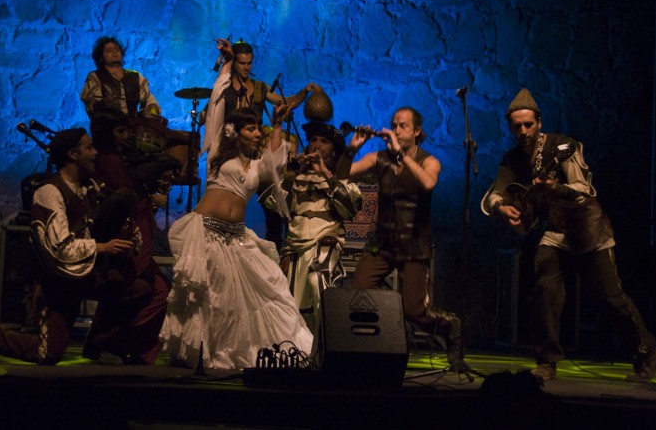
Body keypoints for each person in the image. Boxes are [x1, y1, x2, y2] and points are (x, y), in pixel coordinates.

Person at [481, 88, 656, 381]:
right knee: (545, 290)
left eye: (528, 124)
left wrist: (556, 188)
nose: (523, 131)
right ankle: (547, 361)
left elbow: (583, 189)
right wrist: (502, 208)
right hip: (555, 231)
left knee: (610, 297)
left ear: (539, 123)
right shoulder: (512, 159)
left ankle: (647, 352)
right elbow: (494, 193)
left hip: (587, 229)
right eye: (517, 126)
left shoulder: (562, 146)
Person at [158, 39, 313, 370]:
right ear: (235, 131)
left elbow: (274, 162)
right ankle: (204, 356)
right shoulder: (217, 155)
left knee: (258, 292)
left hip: (236, 237)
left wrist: (278, 124)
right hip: (206, 232)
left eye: (258, 128)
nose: (257, 133)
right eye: (251, 128)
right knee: (211, 299)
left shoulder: (256, 165)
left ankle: (233, 354)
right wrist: (226, 64)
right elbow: (217, 101)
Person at [0, 128, 138, 365]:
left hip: (88, 274)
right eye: (89, 148)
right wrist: (101, 247)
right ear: (72, 154)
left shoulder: (90, 188)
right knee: (47, 354)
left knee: (138, 288)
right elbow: (58, 247)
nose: (96, 153)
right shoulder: (50, 192)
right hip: (59, 282)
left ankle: (98, 346)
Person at [341, 106, 463, 366]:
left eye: (403, 126)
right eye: (394, 125)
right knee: (358, 294)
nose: (396, 130)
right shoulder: (379, 158)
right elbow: (342, 175)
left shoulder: (429, 161)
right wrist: (352, 148)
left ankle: (448, 326)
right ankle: (380, 347)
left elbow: (428, 183)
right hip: (382, 244)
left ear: (417, 131)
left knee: (413, 311)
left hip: (413, 246)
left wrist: (401, 155)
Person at [202, 39, 321, 251]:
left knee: (273, 205)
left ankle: (276, 250)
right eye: (242, 63)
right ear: (234, 63)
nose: (247, 67)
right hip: (229, 155)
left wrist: (304, 92)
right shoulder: (225, 89)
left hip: (255, 156)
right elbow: (210, 113)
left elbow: (285, 102)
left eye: (249, 63)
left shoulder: (258, 87)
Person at [83, 109, 182, 364]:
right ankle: (109, 344)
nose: (126, 136)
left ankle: (123, 347)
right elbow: (122, 199)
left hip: (135, 235)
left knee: (156, 292)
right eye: (120, 131)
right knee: (144, 292)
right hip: (127, 240)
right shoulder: (109, 161)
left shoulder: (117, 159)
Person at [277, 121, 362, 333]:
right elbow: (279, 208)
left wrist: (324, 172)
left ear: (334, 149)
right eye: (314, 140)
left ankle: (332, 337)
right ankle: (304, 346)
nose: (317, 145)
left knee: (317, 279)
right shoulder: (298, 176)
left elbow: (349, 209)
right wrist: (288, 177)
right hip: (295, 247)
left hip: (325, 242)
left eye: (324, 142)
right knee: (292, 302)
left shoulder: (340, 177)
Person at [80, 36, 161, 119]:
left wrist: (152, 109)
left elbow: (148, 99)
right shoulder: (95, 77)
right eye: (109, 50)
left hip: (133, 124)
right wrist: (103, 104)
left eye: (117, 50)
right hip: (108, 124)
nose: (114, 52)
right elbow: (91, 105)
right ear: (101, 57)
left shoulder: (135, 76)